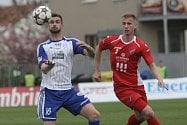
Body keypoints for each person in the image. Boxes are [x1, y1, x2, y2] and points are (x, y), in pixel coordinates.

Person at [93, 14, 166, 125]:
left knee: (141, 116)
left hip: (138, 86)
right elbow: (98, 48)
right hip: (122, 88)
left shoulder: (140, 45)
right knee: (149, 113)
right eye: (124, 23)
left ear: (135, 25)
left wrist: (159, 79)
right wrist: (97, 70)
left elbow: (151, 64)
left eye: (129, 23)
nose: (126, 26)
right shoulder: (112, 41)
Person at [36, 13, 100, 125]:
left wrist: (88, 48)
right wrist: (49, 65)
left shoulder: (71, 43)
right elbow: (43, 68)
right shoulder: (43, 47)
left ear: (62, 25)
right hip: (50, 93)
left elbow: (92, 55)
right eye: (51, 22)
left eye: (57, 22)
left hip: (68, 91)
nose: (54, 24)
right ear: (48, 26)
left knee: (94, 115)